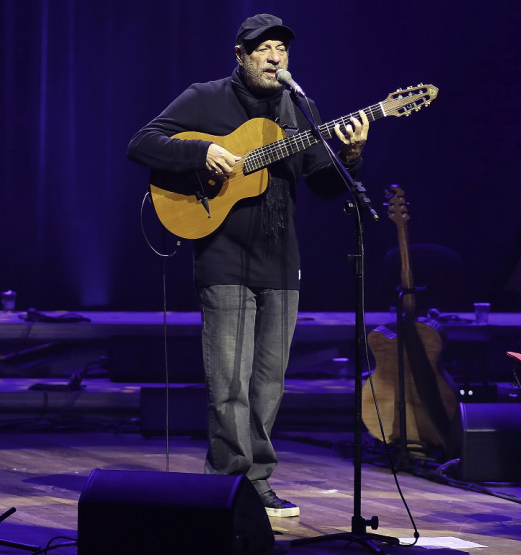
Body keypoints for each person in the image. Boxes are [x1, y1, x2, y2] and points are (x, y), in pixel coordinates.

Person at [127, 13, 369, 518]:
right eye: (263, 48)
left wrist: (351, 155)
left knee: (269, 382)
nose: (274, 56)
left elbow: (325, 185)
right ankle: (227, 484)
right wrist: (204, 151)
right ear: (240, 55)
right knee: (228, 381)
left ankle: (257, 482)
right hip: (222, 257)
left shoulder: (300, 108)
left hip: (282, 261)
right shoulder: (205, 97)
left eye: (281, 48)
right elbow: (142, 143)